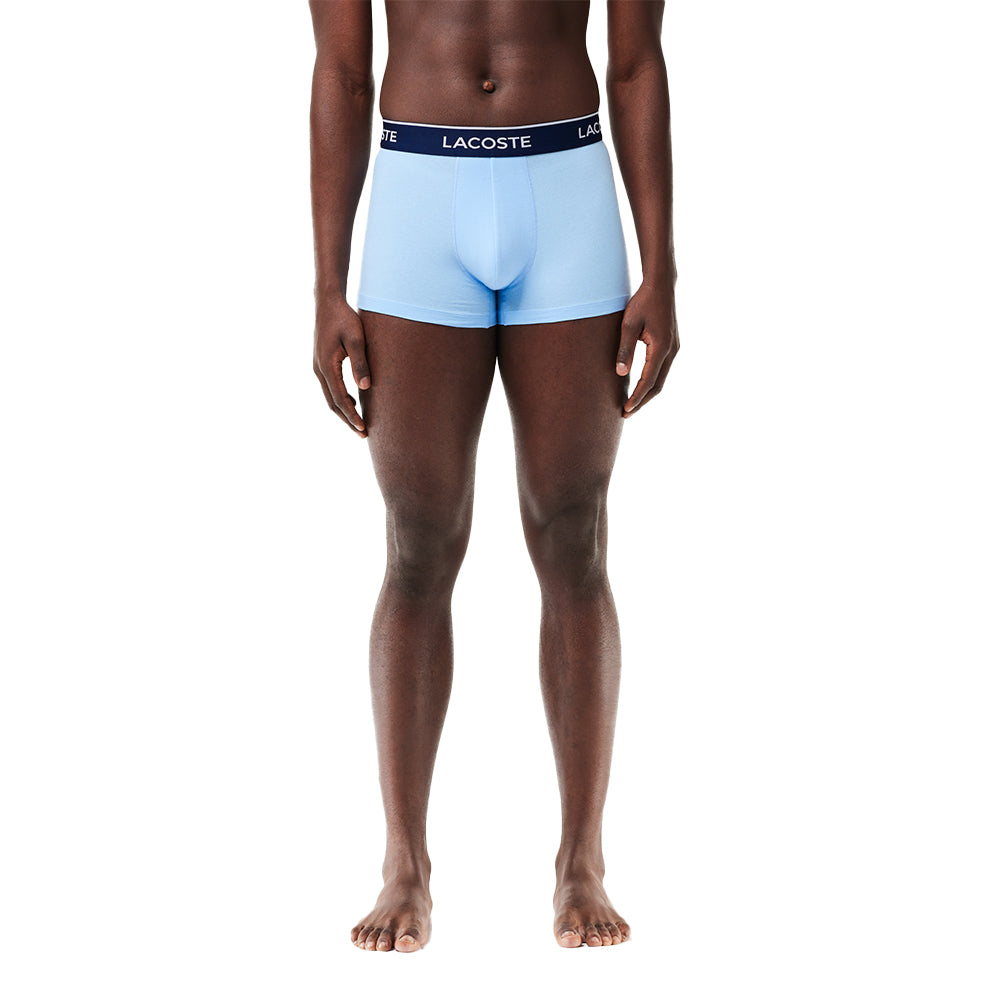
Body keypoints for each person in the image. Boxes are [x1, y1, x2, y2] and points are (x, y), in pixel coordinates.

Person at [308, 0, 678, 952]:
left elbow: (636, 61)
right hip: (419, 189)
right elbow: (341, 69)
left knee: (573, 532)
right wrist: (326, 287)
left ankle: (582, 860)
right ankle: (404, 864)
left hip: (567, 183)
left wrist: (662, 271)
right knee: (418, 544)